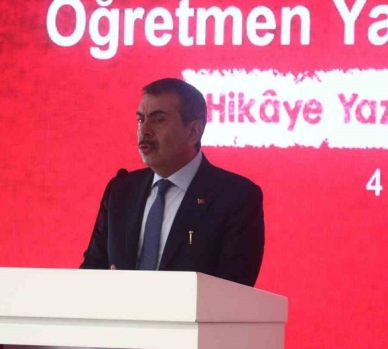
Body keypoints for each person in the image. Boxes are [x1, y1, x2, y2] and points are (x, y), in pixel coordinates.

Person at [80, 78, 264, 287]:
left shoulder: (236, 198)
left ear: (193, 132)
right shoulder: (121, 190)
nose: (144, 131)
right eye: (140, 119)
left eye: (158, 120)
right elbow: (91, 272)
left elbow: (233, 290)